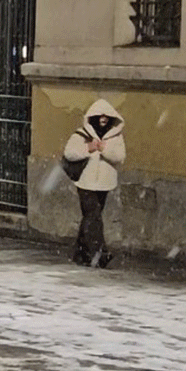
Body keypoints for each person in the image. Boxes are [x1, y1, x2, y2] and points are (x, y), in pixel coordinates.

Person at [62, 99, 126, 268]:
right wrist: (87, 149)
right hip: (85, 182)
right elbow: (69, 153)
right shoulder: (82, 134)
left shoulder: (115, 137)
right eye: (100, 115)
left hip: (105, 183)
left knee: (90, 218)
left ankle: (80, 253)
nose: (103, 118)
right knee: (93, 215)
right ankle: (100, 254)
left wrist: (105, 150)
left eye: (106, 115)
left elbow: (120, 157)